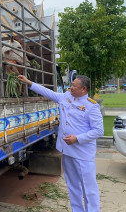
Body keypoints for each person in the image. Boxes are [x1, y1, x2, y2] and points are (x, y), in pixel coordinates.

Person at [18, 74, 104, 212]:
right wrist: (29, 83)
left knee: (89, 189)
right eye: (71, 84)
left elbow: (99, 131)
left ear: (83, 89)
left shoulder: (91, 107)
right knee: (73, 186)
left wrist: (77, 138)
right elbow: (49, 93)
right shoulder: (66, 97)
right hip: (67, 151)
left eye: (74, 85)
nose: (71, 87)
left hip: (83, 154)